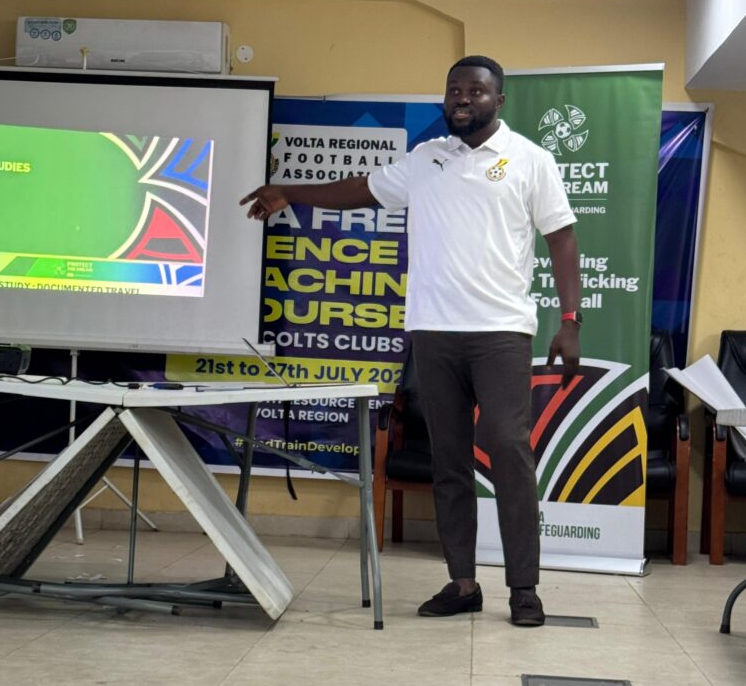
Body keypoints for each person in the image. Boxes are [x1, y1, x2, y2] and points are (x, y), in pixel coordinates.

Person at [240, 55, 580, 627]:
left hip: (500, 333)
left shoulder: (530, 160)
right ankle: (463, 583)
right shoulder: (427, 158)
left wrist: (569, 319)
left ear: (500, 100)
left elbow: (563, 240)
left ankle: (524, 587)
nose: (462, 98)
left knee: (508, 450)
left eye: (475, 90)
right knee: (449, 460)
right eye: (453, 89)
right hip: (433, 331)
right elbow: (360, 190)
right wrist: (288, 192)